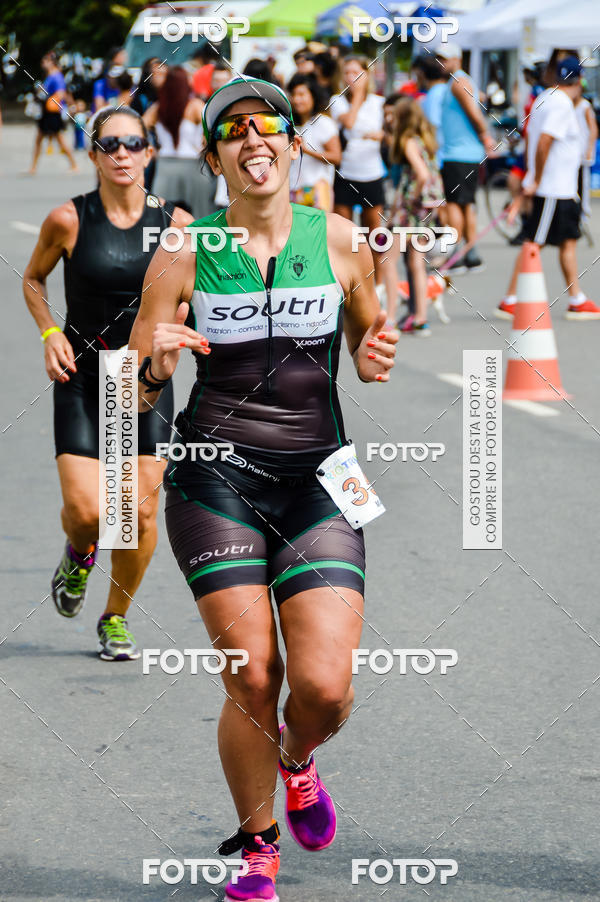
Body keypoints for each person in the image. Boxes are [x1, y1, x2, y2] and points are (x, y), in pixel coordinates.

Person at [128, 76, 397, 902]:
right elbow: (131, 389)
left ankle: (298, 760)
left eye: (268, 124)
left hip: (321, 480)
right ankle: (257, 847)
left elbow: (366, 337)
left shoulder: (343, 239)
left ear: (292, 141)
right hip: (216, 481)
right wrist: (152, 370)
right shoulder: (182, 252)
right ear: (213, 156)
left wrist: (373, 356)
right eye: (233, 130)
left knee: (323, 688)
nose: (254, 140)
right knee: (252, 675)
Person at [22, 106, 194, 660]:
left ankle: (115, 617)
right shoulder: (68, 220)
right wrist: (50, 330)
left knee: (138, 511)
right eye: (109, 144)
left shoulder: (177, 225)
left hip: (140, 379)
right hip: (82, 375)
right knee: (89, 513)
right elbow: (33, 278)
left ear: (149, 152)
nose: (121, 153)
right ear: (94, 154)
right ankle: (78, 553)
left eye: (133, 143)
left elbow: (199, 293)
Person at [495, 57, 600, 320]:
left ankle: (576, 298)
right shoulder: (561, 103)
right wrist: (537, 179)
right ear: (580, 80)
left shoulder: (545, 97)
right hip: (553, 187)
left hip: (561, 187)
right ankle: (511, 299)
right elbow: (544, 142)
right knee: (534, 243)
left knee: (568, 241)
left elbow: (535, 138)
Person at [435, 42, 496, 274]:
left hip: (458, 154)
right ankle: (471, 254)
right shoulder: (460, 80)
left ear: (457, 59)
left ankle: (457, 254)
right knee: (466, 204)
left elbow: (473, 114)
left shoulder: (459, 82)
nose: (441, 63)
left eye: (445, 58)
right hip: (465, 153)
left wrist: (484, 135)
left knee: (454, 205)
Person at [329, 57, 389, 283]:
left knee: (374, 233)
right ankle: (350, 280)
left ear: (367, 74)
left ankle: (379, 282)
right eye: (347, 72)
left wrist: (381, 135)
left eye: (357, 72)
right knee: (346, 233)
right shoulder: (338, 101)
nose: (351, 77)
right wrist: (357, 95)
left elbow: (389, 133)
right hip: (346, 173)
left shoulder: (379, 103)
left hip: (372, 172)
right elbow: (350, 123)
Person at [388, 98, 444, 335]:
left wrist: (412, 197)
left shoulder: (408, 141)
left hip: (411, 208)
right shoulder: (425, 141)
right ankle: (420, 316)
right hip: (427, 209)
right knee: (417, 262)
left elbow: (420, 175)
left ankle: (389, 315)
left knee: (387, 259)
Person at [144, 66, 216, 220]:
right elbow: (213, 127)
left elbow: (139, 127)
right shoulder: (195, 106)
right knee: (202, 216)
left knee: (162, 218)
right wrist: (204, 146)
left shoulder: (158, 108)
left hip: (165, 167)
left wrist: (151, 149)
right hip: (193, 166)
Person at [288, 73, 341, 211]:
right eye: (294, 95)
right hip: (293, 191)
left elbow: (336, 157)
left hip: (317, 191)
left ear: (313, 96)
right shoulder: (292, 124)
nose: (296, 100)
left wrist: (306, 151)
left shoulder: (323, 123)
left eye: (302, 94)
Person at [28, 52, 78, 174]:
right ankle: (33, 167)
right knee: (39, 139)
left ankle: (74, 165)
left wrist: (47, 97)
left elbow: (61, 93)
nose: (43, 64)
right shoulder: (50, 76)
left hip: (52, 111)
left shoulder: (56, 76)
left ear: (52, 62)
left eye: (45, 61)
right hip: (46, 112)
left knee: (59, 138)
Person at [92, 47, 126, 111]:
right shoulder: (100, 84)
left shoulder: (126, 81)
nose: (124, 59)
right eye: (121, 55)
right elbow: (99, 107)